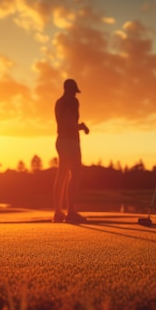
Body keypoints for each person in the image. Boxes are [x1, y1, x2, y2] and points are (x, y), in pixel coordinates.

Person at [52, 78, 90, 223]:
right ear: (69, 90)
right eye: (74, 92)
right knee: (75, 173)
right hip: (70, 141)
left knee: (62, 174)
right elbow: (68, 123)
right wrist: (82, 127)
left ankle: (58, 212)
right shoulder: (71, 102)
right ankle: (70, 212)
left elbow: (64, 123)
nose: (75, 95)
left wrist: (78, 126)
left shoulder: (58, 102)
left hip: (61, 140)